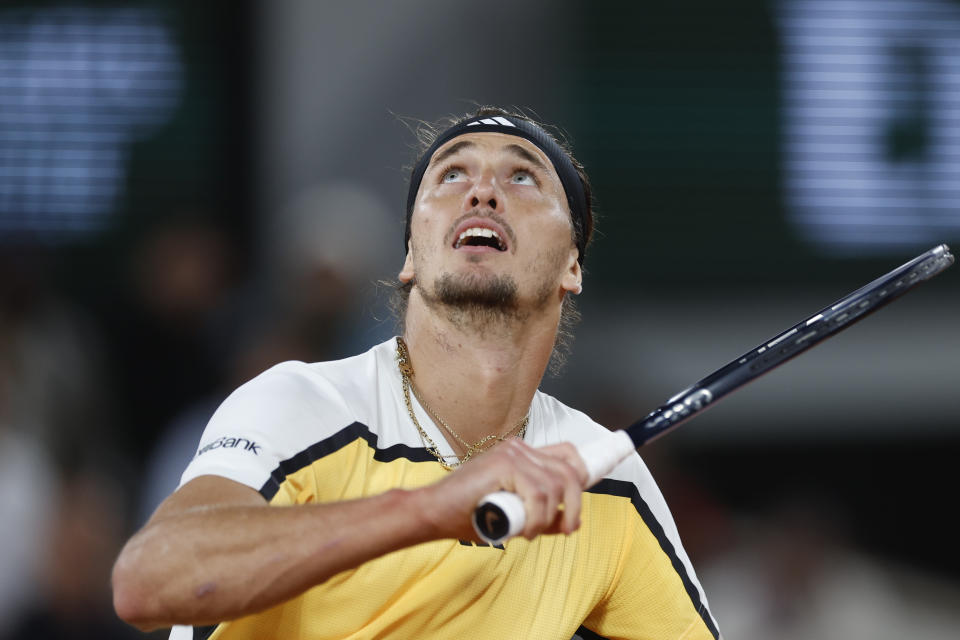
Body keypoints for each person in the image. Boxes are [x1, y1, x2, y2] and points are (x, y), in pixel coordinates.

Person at [111, 107, 721, 640]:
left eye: (523, 177)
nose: (481, 192)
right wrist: (431, 509)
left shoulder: (602, 477)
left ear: (572, 266)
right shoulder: (301, 406)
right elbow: (147, 582)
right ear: (410, 255)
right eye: (452, 174)